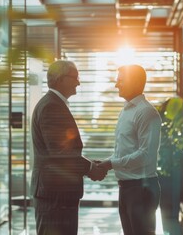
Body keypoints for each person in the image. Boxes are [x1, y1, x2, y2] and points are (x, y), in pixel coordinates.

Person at [30, 60, 107, 235]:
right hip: (56, 196)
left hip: (57, 195)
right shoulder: (52, 107)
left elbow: (62, 151)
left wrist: (89, 163)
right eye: (75, 77)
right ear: (60, 79)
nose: (78, 82)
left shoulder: (53, 104)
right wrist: (90, 168)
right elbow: (61, 154)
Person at [98, 64, 162, 235]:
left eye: (120, 80)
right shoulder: (126, 111)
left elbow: (145, 155)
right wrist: (105, 163)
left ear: (133, 82)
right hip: (127, 187)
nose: (116, 85)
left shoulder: (146, 112)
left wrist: (110, 164)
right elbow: (124, 151)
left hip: (141, 189)